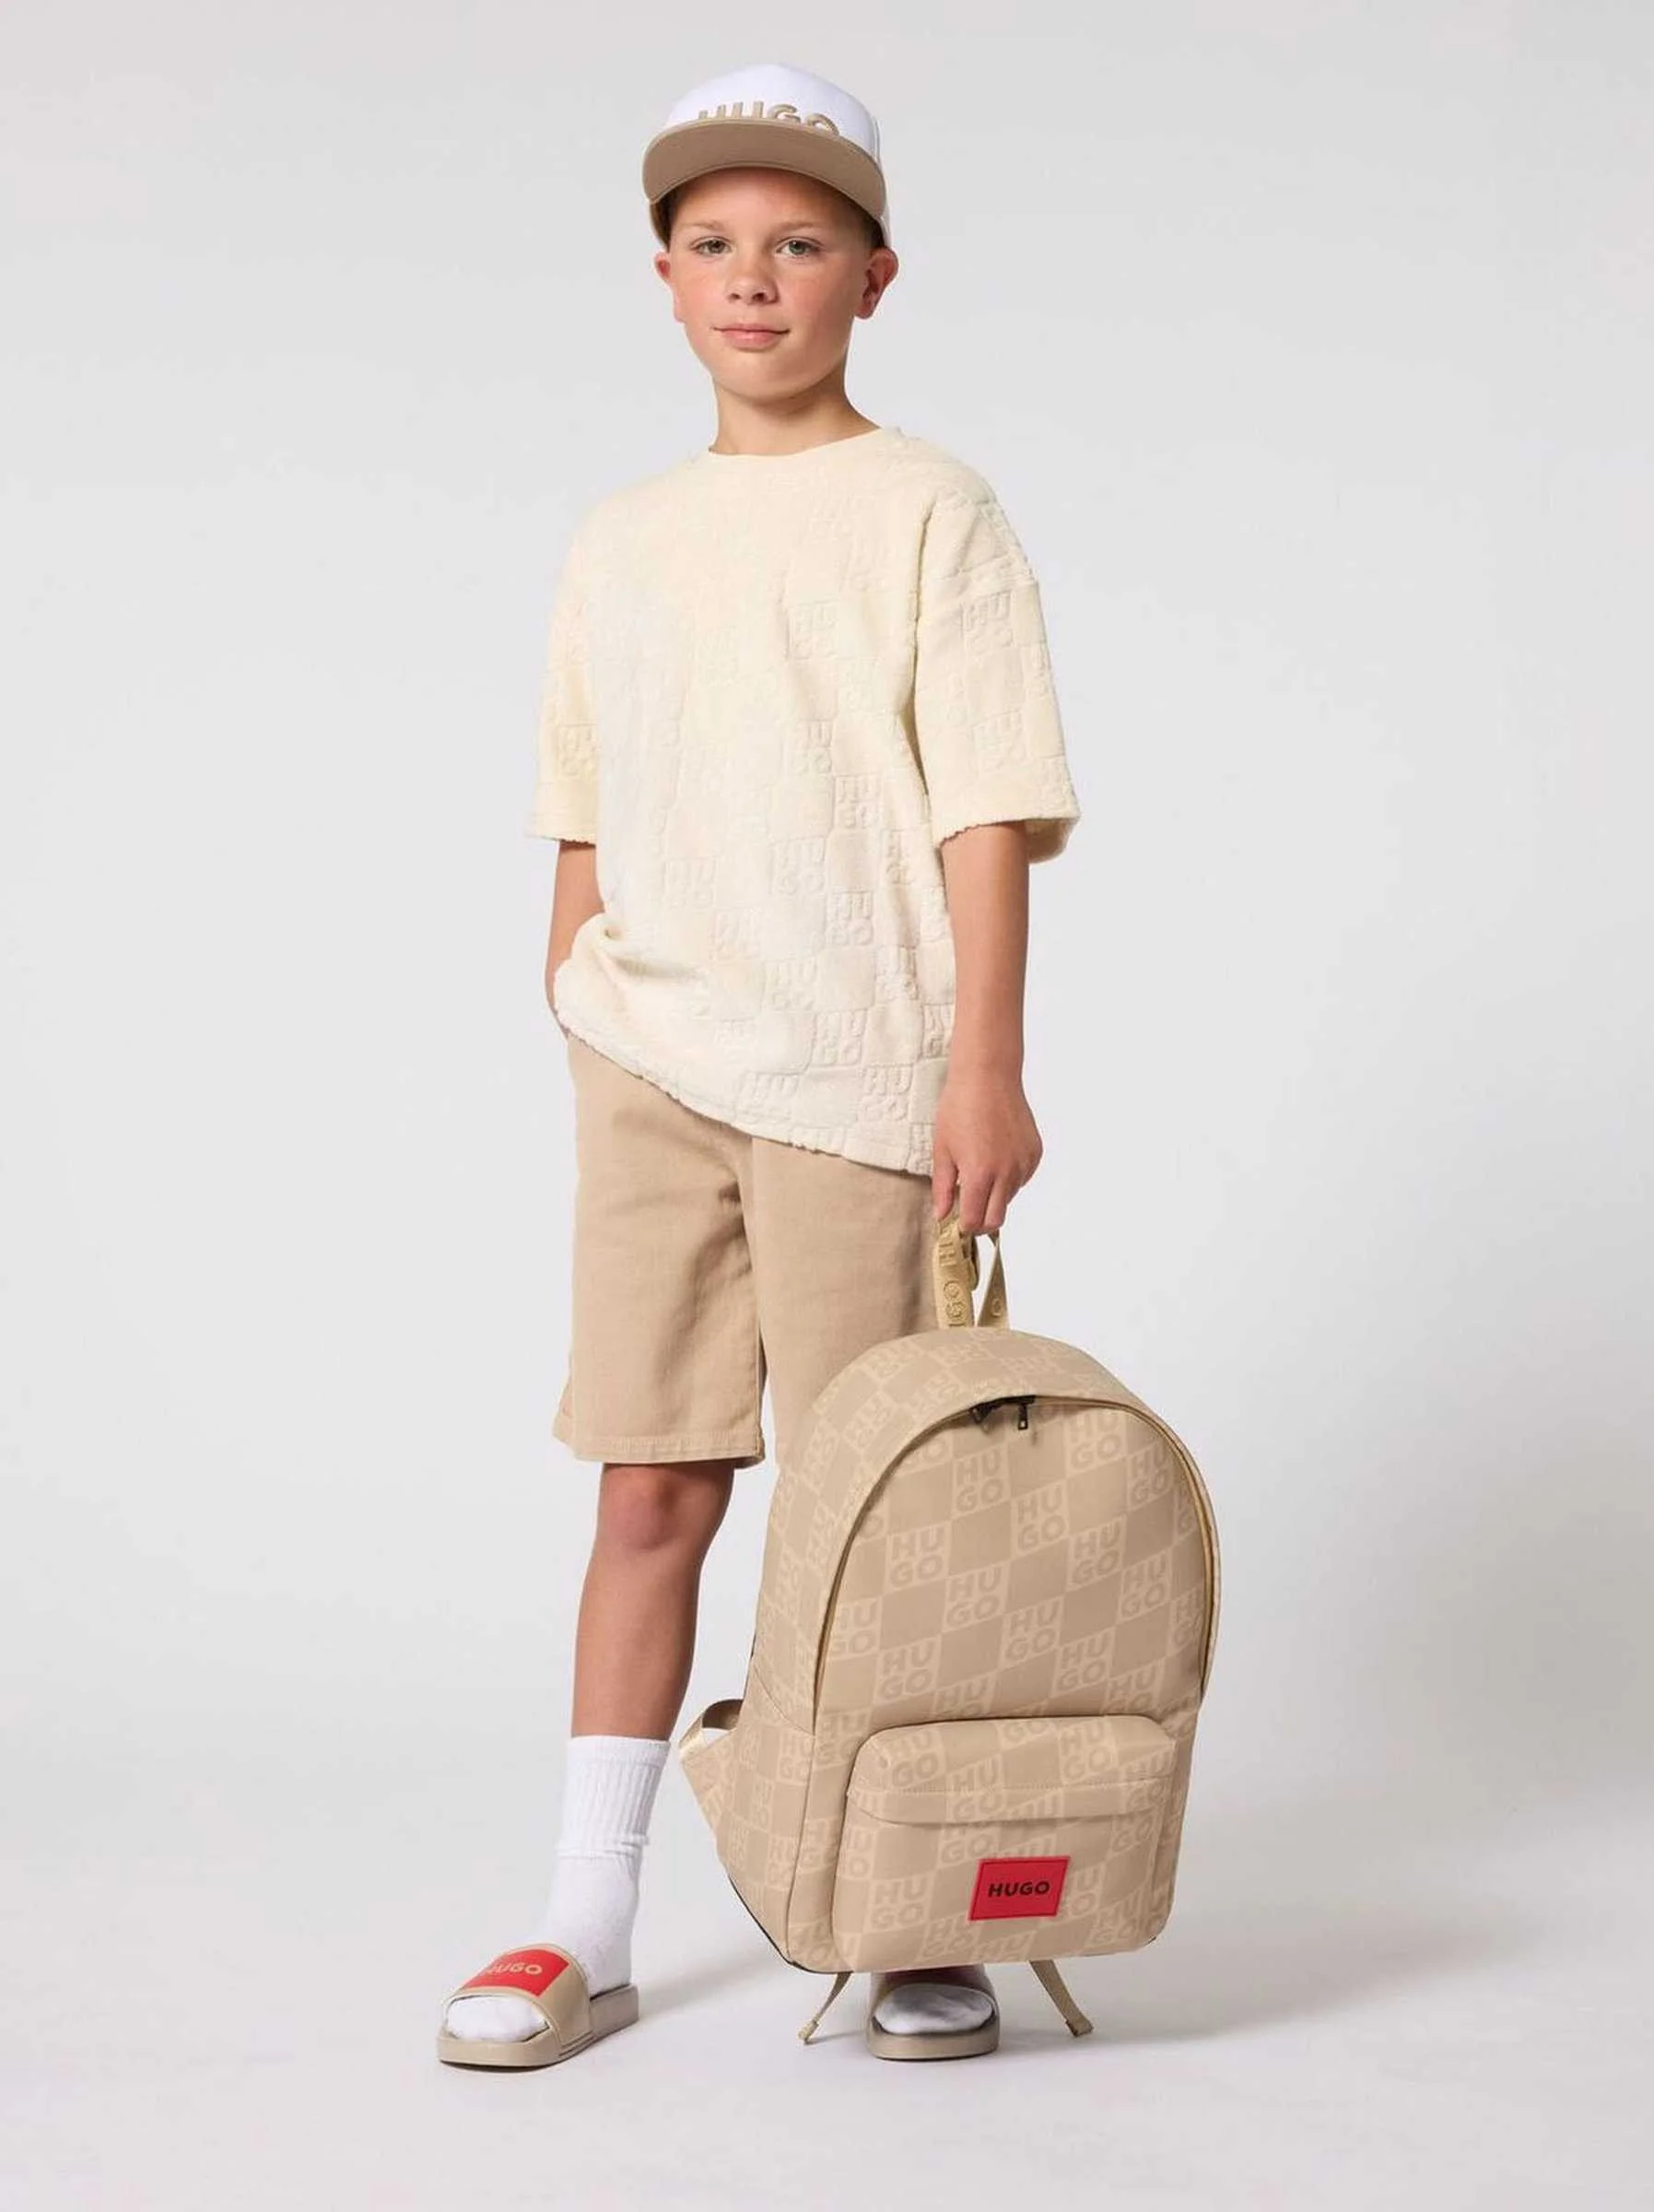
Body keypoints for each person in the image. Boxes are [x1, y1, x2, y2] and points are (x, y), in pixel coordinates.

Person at [437, 60, 1082, 2069]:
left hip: (861, 1074)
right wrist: (574, 977)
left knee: (870, 1502)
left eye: (800, 243)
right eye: (713, 243)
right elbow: (580, 789)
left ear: (873, 276)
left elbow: (985, 801)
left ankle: (907, 1909)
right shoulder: (622, 535)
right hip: (650, 1064)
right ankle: (586, 1919)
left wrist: (984, 1068)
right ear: (662, 276)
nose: (753, 277)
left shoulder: (932, 510)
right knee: (647, 1483)